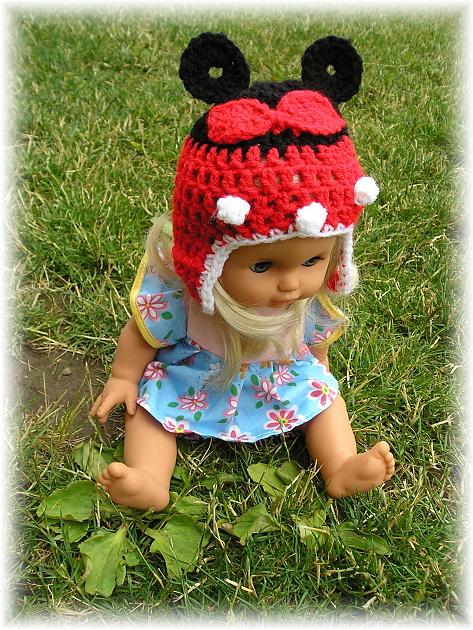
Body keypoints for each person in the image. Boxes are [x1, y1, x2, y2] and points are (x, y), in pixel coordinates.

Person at [90, 32, 395, 511]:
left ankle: (340, 465)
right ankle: (149, 477)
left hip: (281, 378)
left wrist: (318, 371)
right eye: (262, 265)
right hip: (194, 379)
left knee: (325, 400)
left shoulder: (304, 302)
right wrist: (125, 377)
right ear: (205, 255)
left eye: (313, 261)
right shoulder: (185, 296)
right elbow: (142, 334)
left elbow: (316, 345)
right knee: (147, 411)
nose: (291, 283)